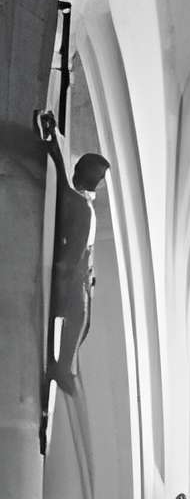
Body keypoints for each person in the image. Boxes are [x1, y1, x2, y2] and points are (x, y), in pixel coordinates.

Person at [34, 109, 110, 394]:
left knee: (84, 319)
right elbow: (76, 248)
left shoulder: (82, 203)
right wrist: (52, 140)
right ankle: (61, 366)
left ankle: (64, 363)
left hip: (81, 271)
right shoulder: (77, 203)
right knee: (78, 314)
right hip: (71, 271)